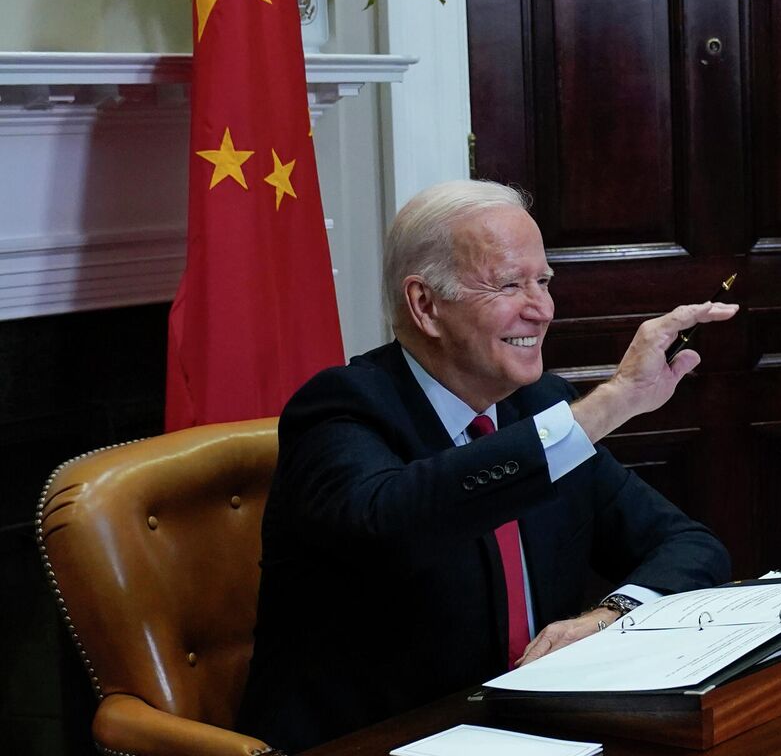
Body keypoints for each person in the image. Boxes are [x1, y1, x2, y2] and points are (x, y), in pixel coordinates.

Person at [236, 180, 736, 750]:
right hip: (381, 740)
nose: (542, 310)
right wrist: (612, 402)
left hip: (539, 728)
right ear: (425, 305)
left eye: (543, 282)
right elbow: (394, 522)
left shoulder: (541, 407)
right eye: (509, 285)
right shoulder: (341, 409)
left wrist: (610, 615)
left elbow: (691, 546)